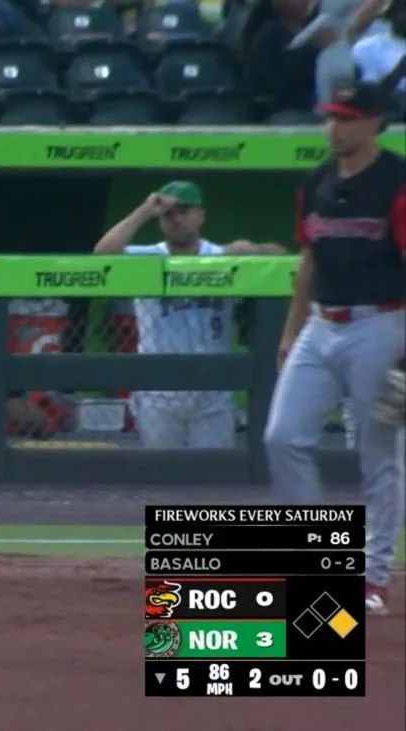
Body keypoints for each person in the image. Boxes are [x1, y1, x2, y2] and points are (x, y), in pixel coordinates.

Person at [264, 81, 405, 617]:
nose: (333, 127)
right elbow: (309, 262)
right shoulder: (316, 181)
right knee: (282, 437)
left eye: (346, 118)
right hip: (321, 325)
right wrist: (289, 333)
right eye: (330, 117)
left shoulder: (397, 180)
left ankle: (373, 577)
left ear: (373, 123)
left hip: (382, 323)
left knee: (379, 454)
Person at [94, 181, 287, 449]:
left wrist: (253, 250)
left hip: (213, 386)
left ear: (201, 215)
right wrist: (145, 210)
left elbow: (283, 256)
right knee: (162, 469)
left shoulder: (221, 256)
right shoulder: (149, 257)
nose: (177, 219)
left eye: (184, 211)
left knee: (213, 469)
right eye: (169, 214)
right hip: (159, 386)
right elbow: (102, 254)